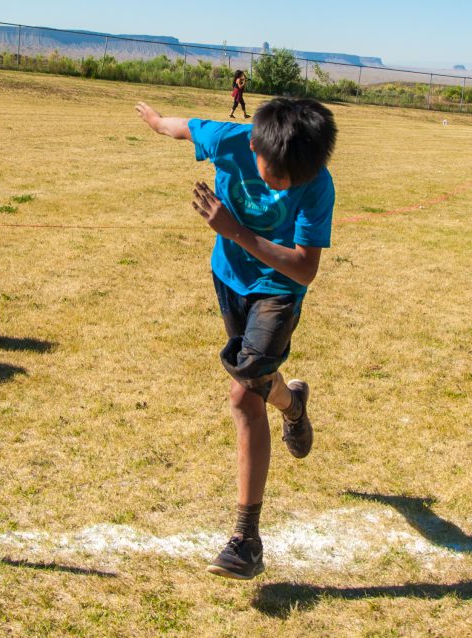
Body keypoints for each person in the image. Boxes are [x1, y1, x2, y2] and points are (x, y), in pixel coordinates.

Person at [135, 97, 337, 580]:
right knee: (256, 382)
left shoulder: (316, 184)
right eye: (278, 173)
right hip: (228, 279)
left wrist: (234, 229)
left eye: (295, 178)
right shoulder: (228, 139)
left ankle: (246, 540)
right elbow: (182, 127)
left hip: (278, 290)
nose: (285, 184)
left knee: (244, 391)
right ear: (254, 144)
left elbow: (305, 268)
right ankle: (292, 403)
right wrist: (157, 122)